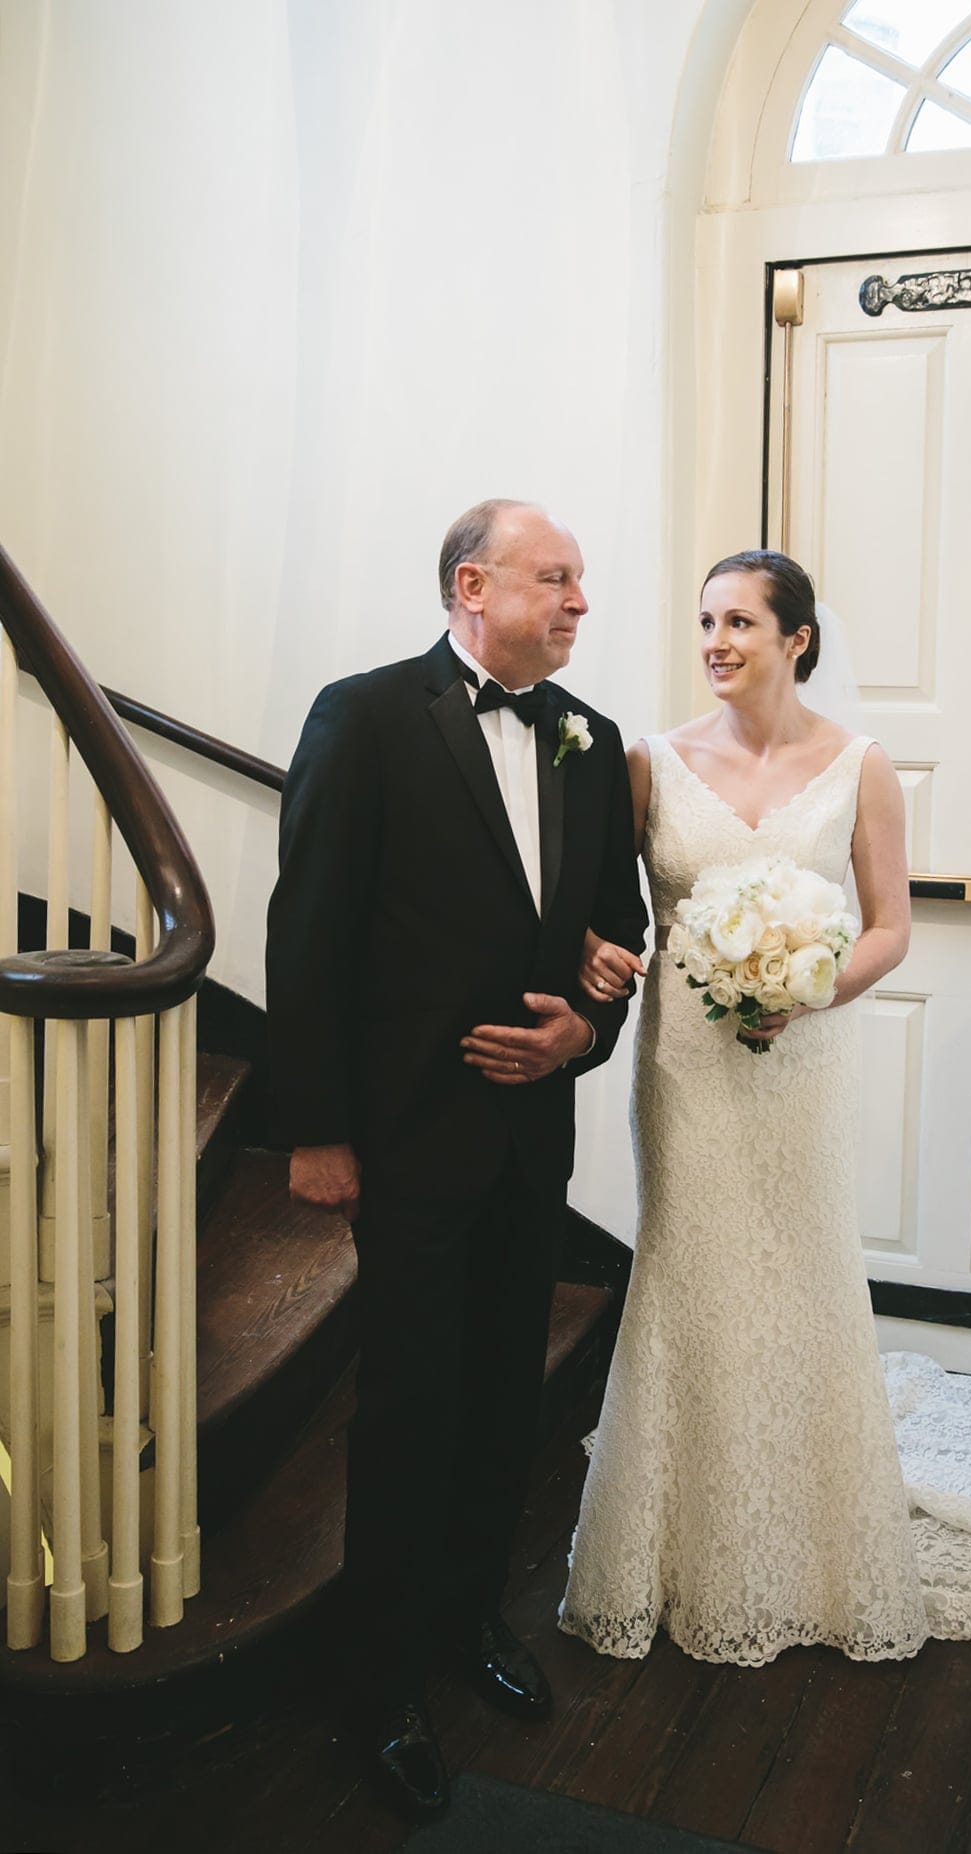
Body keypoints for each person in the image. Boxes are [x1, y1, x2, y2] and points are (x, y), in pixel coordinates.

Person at [559, 549, 971, 1669]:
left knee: (802, 1271)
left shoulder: (860, 767)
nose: (717, 643)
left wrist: (808, 985)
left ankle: (817, 1541)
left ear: (798, 638)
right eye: (705, 623)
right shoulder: (649, 763)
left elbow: (887, 925)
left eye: (741, 622)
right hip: (688, 1064)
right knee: (688, 1269)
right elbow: (608, 908)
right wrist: (596, 954)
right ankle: (676, 1546)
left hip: (801, 1060)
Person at [266, 500, 647, 1820]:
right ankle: (377, 1684)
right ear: (473, 585)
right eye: (559, 577)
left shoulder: (590, 743)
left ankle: (470, 1625)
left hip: (532, 1136)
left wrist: (583, 1030)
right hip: (407, 1133)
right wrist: (315, 1127)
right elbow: (307, 926)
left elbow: (618, 923)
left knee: (502, 1394)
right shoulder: (364, 716)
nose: (582, 598)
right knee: (410, 1405)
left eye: (584, 580)